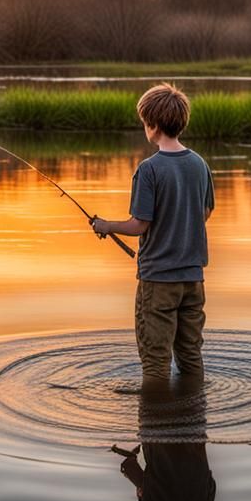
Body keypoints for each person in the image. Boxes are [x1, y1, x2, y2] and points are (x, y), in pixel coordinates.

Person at [91, 83, 214, 382]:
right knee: (190, 355)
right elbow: (205, 212)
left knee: (155, 360)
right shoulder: (200, 164)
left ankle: (155, 424)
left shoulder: (149, 169)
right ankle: (192, 422)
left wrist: (106, 226)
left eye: (145, 123)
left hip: (158, 280)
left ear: (153, 126)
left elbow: (139, 224)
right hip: (193, 280)